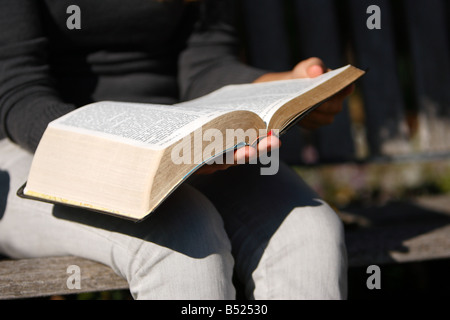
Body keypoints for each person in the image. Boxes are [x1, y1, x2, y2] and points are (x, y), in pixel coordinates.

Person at [0, 0, 351, 299]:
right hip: (41, 148)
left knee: (309, 231)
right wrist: (127, 154)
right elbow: (18, 91)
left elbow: (205, 65)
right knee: (184, 238)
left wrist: (287, 88)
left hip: (174, 139)